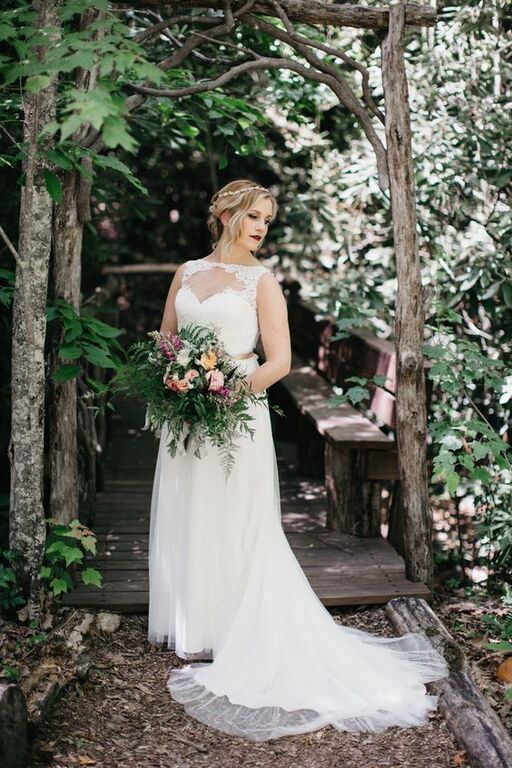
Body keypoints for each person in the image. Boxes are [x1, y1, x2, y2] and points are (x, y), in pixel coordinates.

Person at [147, 178, 450, 741]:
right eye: (253, 216)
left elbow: (280, 361)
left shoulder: (263, 283)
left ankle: (242, 627)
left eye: (267, 219)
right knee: (192, 507)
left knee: (239, 517)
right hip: (185, 414)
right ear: (224, 214)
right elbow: (165, 338)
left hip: (235, 413)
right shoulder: (185, 273)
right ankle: (201, 623)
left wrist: (225, 391)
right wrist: (175, 380)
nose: (261, 228)